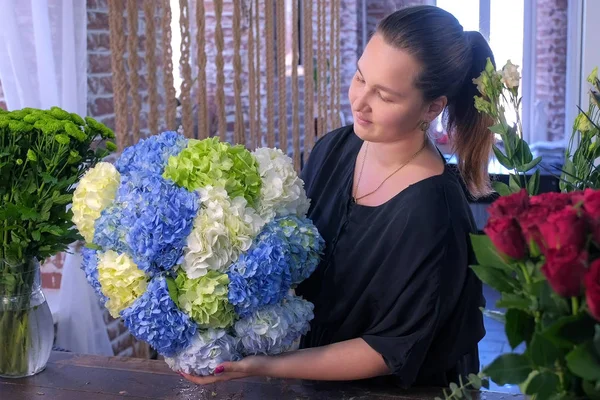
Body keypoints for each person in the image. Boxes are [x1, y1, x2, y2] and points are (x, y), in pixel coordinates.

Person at [181, 5, 495, 388]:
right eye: (360, 78)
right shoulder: (335, 148)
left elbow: (387, 350)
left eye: (385, 95)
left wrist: (260, 365)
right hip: (312, 375)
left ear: (432, 107)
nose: (360, 102)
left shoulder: (434, 211)